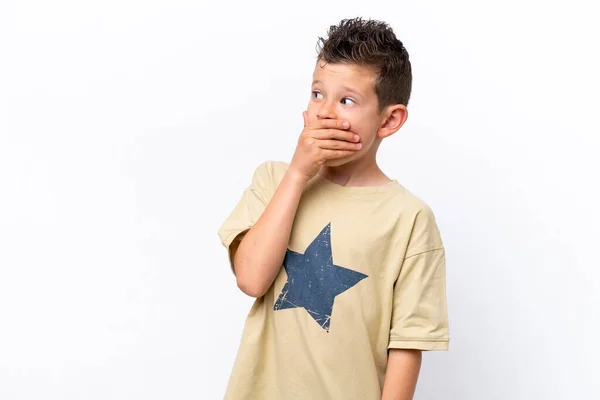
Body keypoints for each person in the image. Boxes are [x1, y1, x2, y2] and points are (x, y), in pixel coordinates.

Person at [217, 17, 449, 400]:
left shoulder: (409, 219)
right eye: (317, 93)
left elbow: (407, 345)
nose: (324, 112)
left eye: (346, 101)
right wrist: (297, 174)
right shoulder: (274, 180)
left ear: (389, 120)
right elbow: (251, 279)